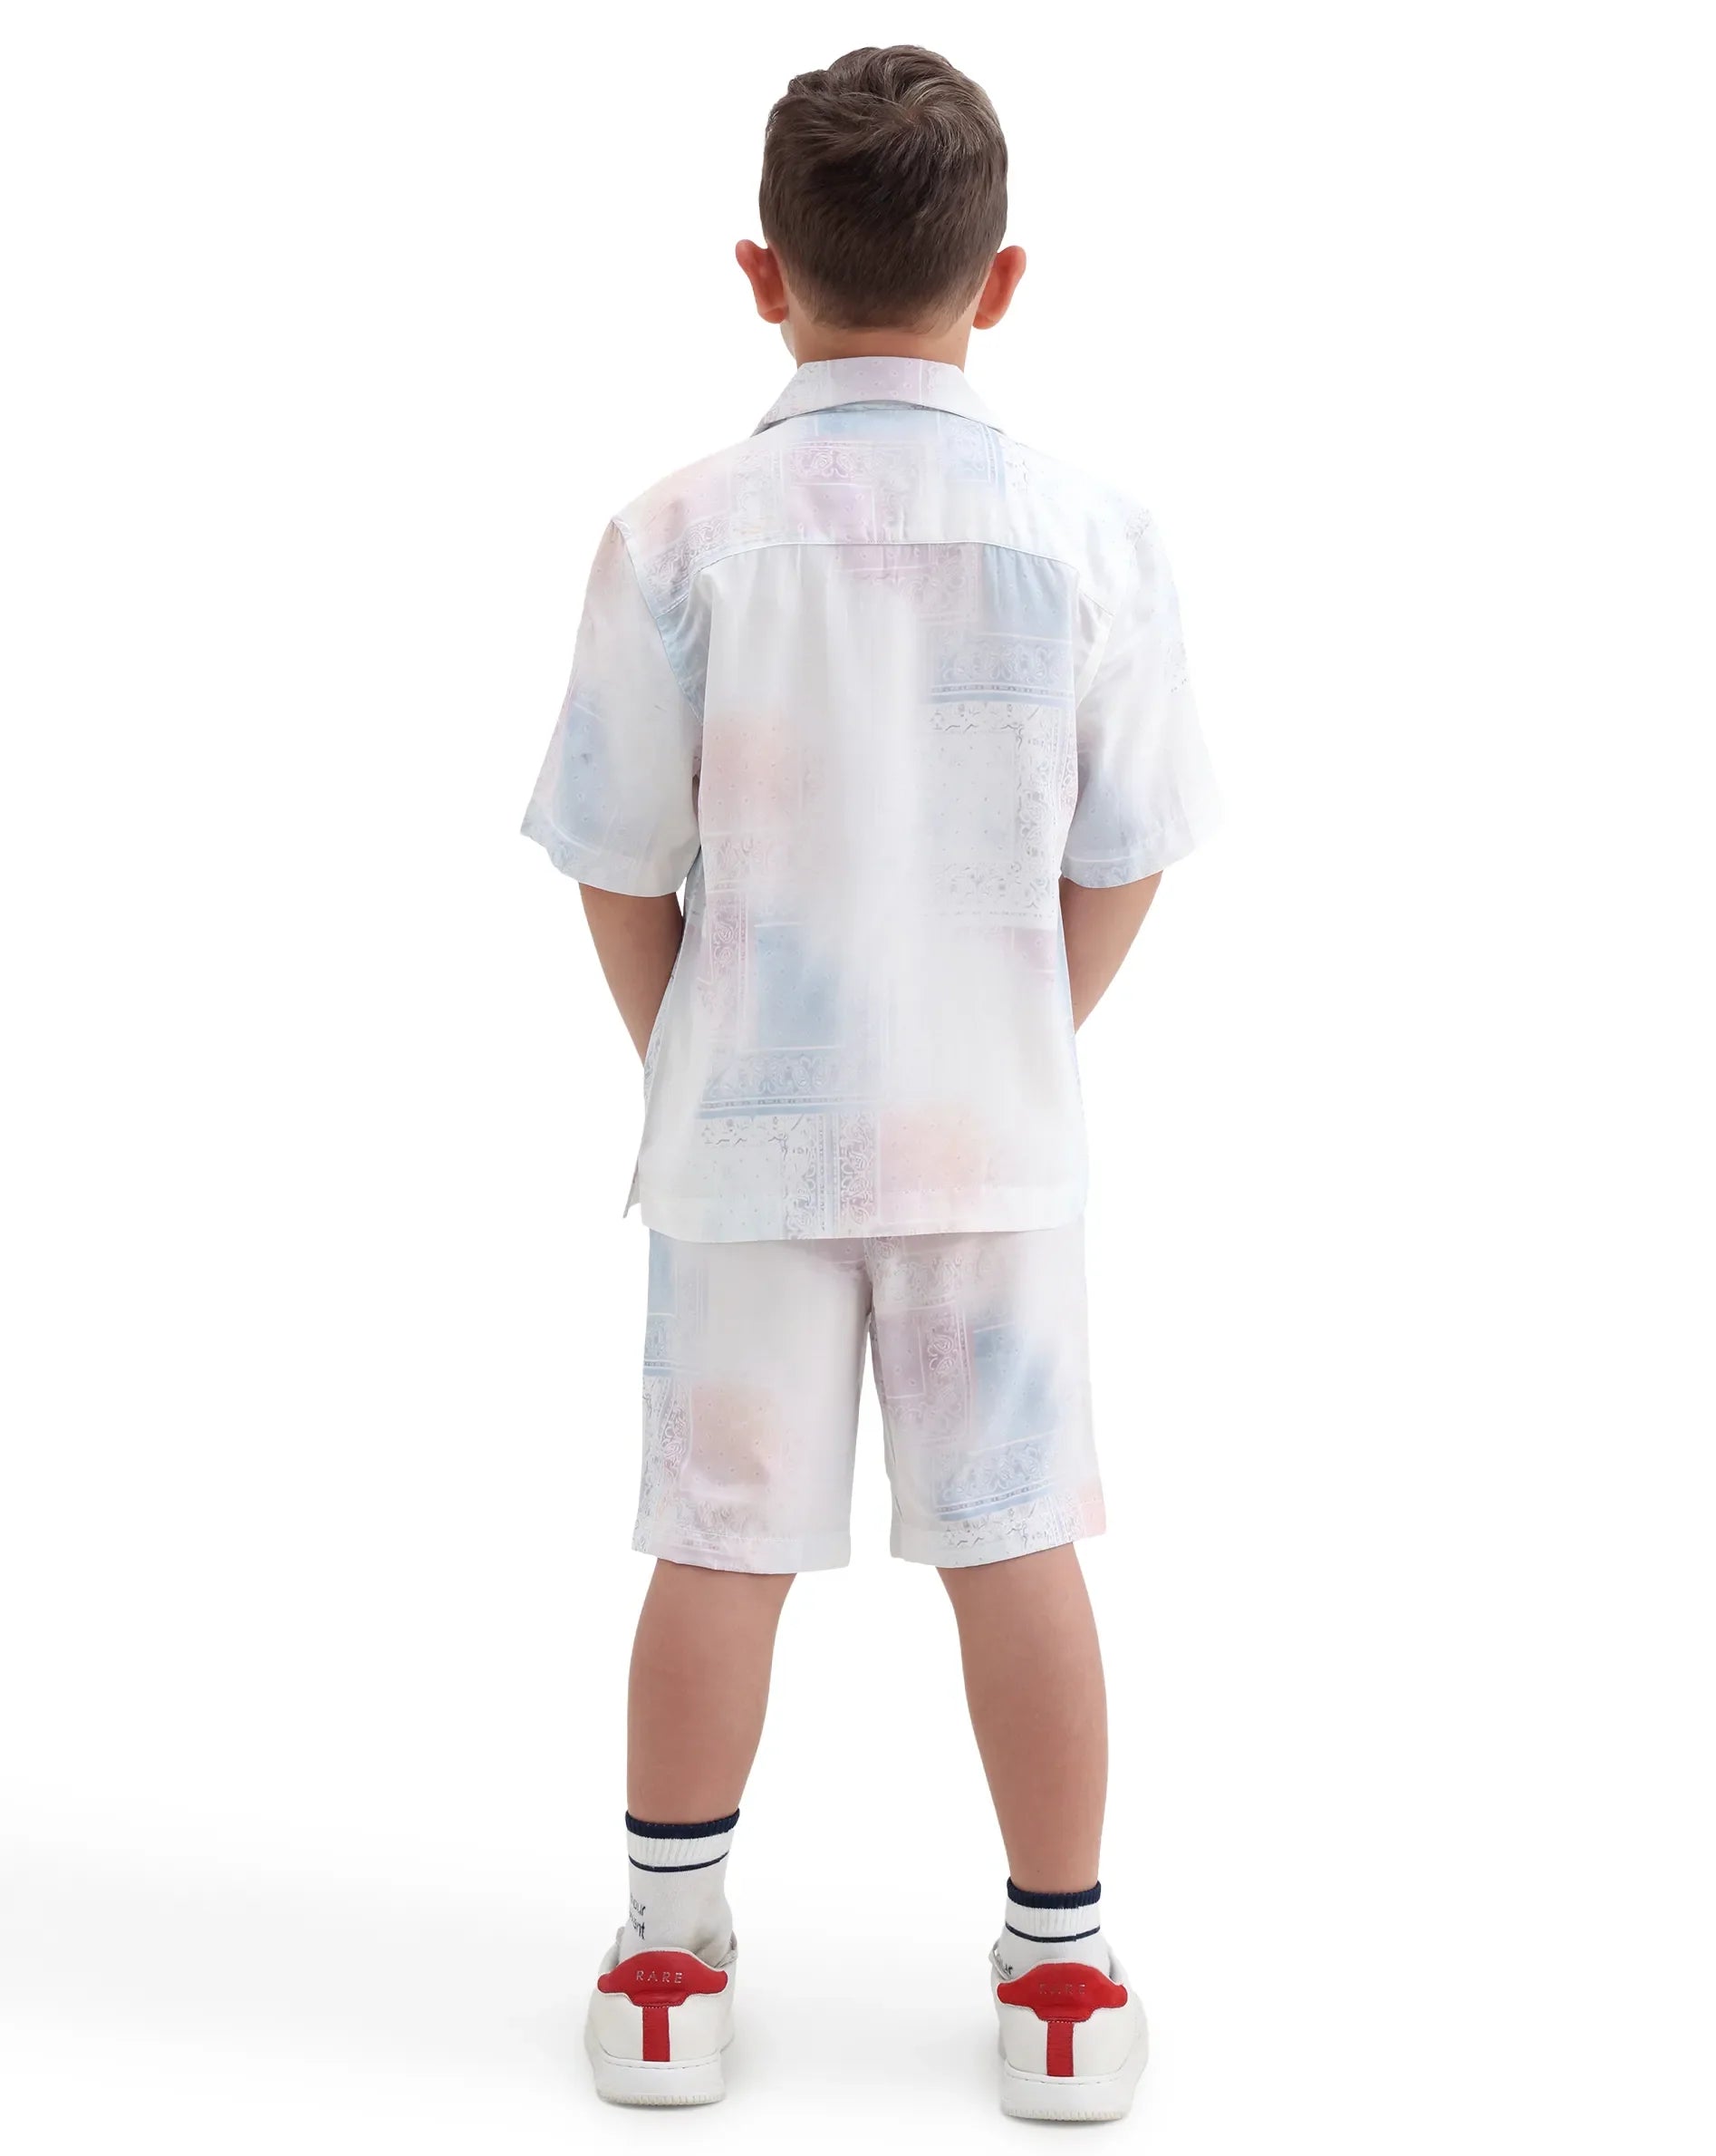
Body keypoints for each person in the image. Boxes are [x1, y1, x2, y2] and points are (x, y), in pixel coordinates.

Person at [521, 44, 1221, 2121]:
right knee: (1020, 1536)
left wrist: (698, 1052)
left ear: (763, 273)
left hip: (744, 1128)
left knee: (716, 1536)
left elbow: (614, 855)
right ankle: (1064, 1969)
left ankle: (667, 1956)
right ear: (999, 280)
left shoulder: (675, 534)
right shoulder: (1094, 534)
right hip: (990, 1133)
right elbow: (1131, 847)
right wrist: (1017, 1028)